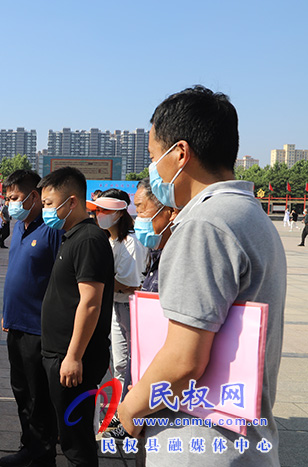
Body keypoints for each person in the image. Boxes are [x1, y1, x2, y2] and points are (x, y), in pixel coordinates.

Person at [117, 86, 286, 466]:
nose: (153, 169)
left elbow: (184, 360)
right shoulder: (249, 214)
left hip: (203, 444)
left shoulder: (204, 224)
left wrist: (129, 408)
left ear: (180, 154)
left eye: (153, 156)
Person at [38, 167, 115, 466]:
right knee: (67, 431)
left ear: (71, 202)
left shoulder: (89, 240)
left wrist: (73, 356)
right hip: (59, 353)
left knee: (76, 438)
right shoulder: (72, 236)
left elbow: (91, 303)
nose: (45, 210)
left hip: (73, 358)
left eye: (48, 203)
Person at [0, 170, 62, 467]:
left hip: (39, 329)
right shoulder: (19, 228)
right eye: (7, 198)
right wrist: (7, 315)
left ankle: (42, 454)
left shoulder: (51, 230)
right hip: (16, 325)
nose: (10, 203)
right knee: (21, 392)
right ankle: (29, 446)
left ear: (33, 196)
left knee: (39, 398)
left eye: (15, 198)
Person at [87, 190, 147, 437]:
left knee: (133, 365)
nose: (98, 216)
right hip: (114, 305)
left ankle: (128, 418)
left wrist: (98, 280)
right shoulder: (106, 240)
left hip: (130, 307)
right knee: (120, 364)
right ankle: (118, 414)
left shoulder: (132, 241)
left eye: (104, 211)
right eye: (96, 211)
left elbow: (130, 283)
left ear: (120, 213)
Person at [132, 178, 178, 292]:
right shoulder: (155, 255)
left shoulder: (181, 258)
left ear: (171, 211)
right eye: (137, 212)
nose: (138, 219)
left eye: (142, 210)